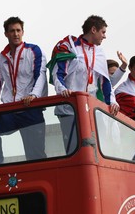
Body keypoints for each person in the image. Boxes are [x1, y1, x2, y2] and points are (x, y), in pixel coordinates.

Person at [47, 15, 120, 153]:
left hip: (91, 109)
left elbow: (105, 82)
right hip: (70, 108)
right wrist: (62, 90)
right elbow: (57, 73)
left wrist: (112, 101)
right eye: (103, 32)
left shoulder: (99, 53)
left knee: (97, 149)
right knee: (74, 150)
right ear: (93, 30)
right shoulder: (70, 47)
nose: (104, 36)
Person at [0, 16, 48, 164]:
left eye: (18, 30)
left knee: (35, 155)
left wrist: (34, 95)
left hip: (30, 109)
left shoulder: (33, 50)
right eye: (12, 31)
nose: (16, 34)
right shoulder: (2, 57)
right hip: (10, 110)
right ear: (6, 33)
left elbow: (41, 75)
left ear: (23, 32)